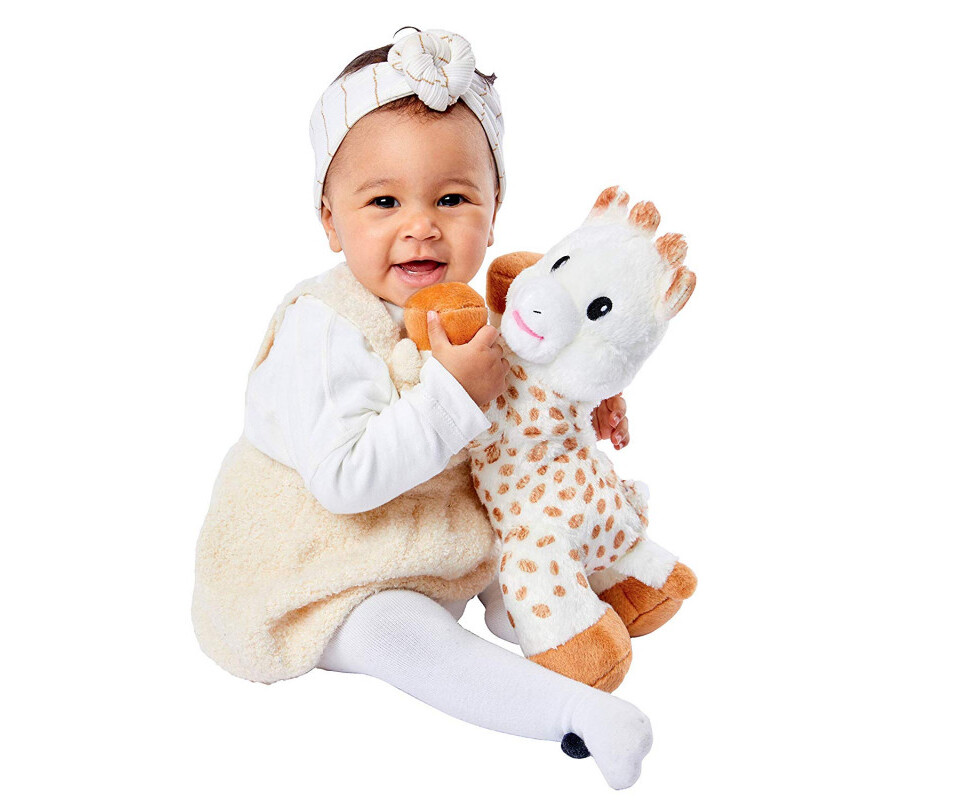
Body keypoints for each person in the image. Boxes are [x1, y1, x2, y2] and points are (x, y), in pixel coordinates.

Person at [192, 27, 644, 789]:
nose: (421, 224)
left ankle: (558, 610)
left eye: (452, 198)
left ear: (493, 212)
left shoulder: (478, 312)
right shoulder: (324, 327)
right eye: (383, 201)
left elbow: (531, 393)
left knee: (540, 527)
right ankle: (571, 715)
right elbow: (342, 480)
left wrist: (587, 396)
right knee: (394, 632)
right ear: (330, 220)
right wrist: (453, 393)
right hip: (315, 565)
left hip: (427, 541)